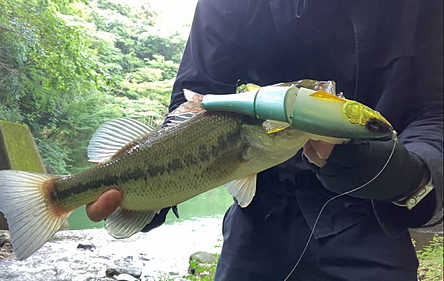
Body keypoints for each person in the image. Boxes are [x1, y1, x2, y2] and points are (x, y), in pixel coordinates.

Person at [87, 0, 443, 280]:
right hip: (258, 215)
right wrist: (151, 194)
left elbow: (435, 111)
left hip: (373, 218)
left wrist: (411, 173)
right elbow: (196, 100)